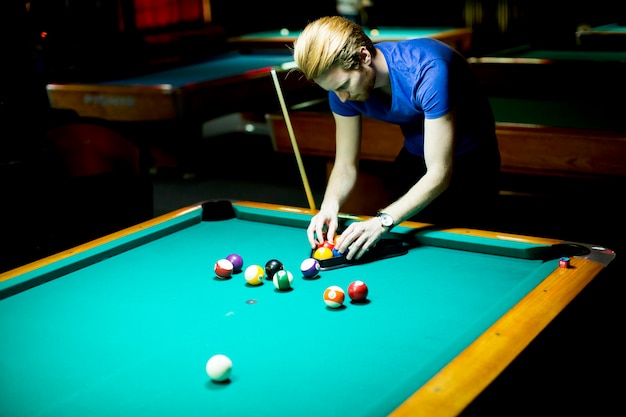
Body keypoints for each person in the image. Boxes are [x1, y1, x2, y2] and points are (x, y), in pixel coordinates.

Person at [292, 16, 501, 261]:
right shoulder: (340, 91)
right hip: (414, 156)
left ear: (363, 57)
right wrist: (330, 206)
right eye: (332, 90)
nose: (343, 98)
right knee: (405, 248)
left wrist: (383, 221)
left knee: (467, 257)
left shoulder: (429, 70)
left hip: (471, 165)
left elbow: (439, 174)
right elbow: (345, 164)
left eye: (344, 85)